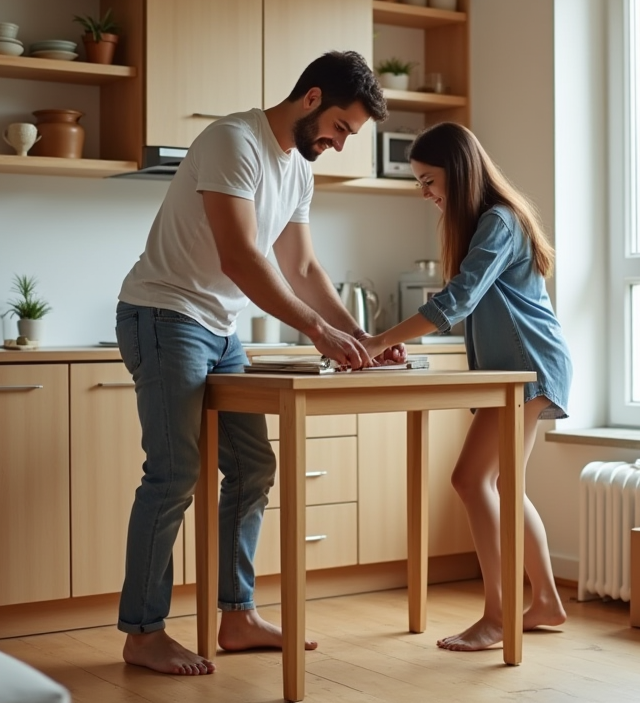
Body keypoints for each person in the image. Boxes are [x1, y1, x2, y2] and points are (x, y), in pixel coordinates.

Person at [114, 50, 402, 676]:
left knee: (252, 467)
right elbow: (242, 257)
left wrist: (362, 337)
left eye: (350, 135)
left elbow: (302, 267)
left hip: (219, 329)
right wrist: (318, 331)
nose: (340, 143)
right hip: (164, 316)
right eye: (341, 127)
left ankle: (237, 616)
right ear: (311, 97)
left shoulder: (298, 169)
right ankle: (142, 633)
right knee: (173, 474)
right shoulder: (233, 141)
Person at [359, 122, 573, 651]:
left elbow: (458, 300)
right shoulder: (489, 221)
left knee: (473, 480)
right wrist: (396, 340)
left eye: (428, 180)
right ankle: (545, 601)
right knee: (498, 485)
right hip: (520, 367)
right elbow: (464, 306)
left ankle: (499, 616)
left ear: (458, 172)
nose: (425, 193)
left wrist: (379, 340)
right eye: (419, 182)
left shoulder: (499, 220)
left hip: (526, 366)